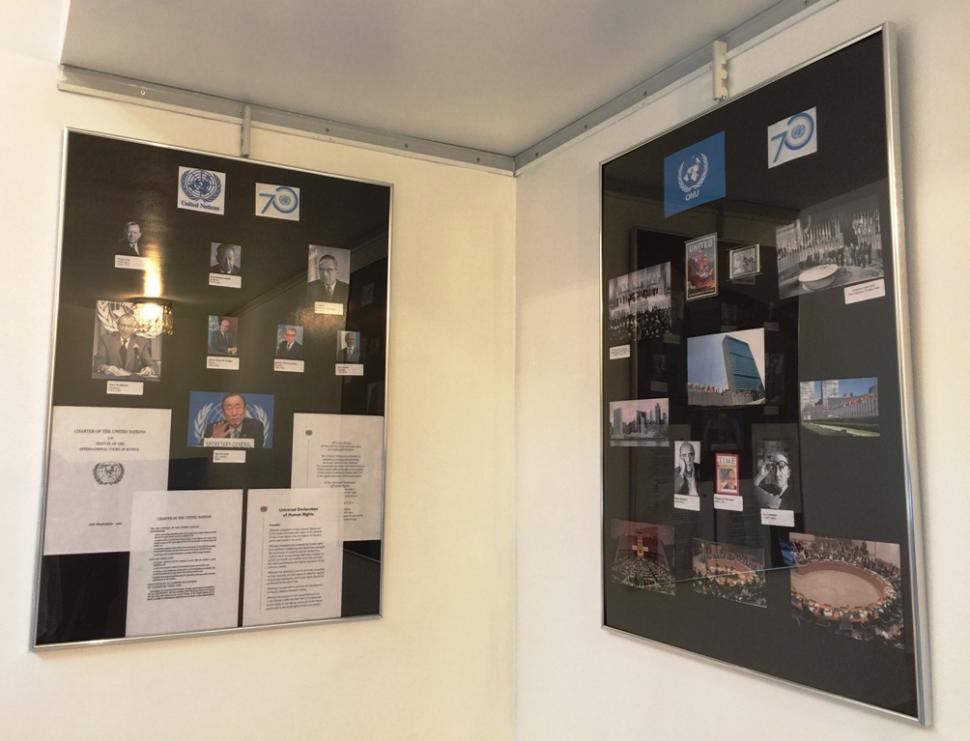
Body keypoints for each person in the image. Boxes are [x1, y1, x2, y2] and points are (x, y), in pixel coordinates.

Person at [93, 313, 160, 379]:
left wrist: (149, 369)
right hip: (111, 380)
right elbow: (97, 363)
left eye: (129, 326)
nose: (125, 329)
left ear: (134, 328)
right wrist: (105, 368)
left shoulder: (142, 342)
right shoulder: (106, 340)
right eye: (122, 325)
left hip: (134, 382)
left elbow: (153, 366)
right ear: (118, 326)